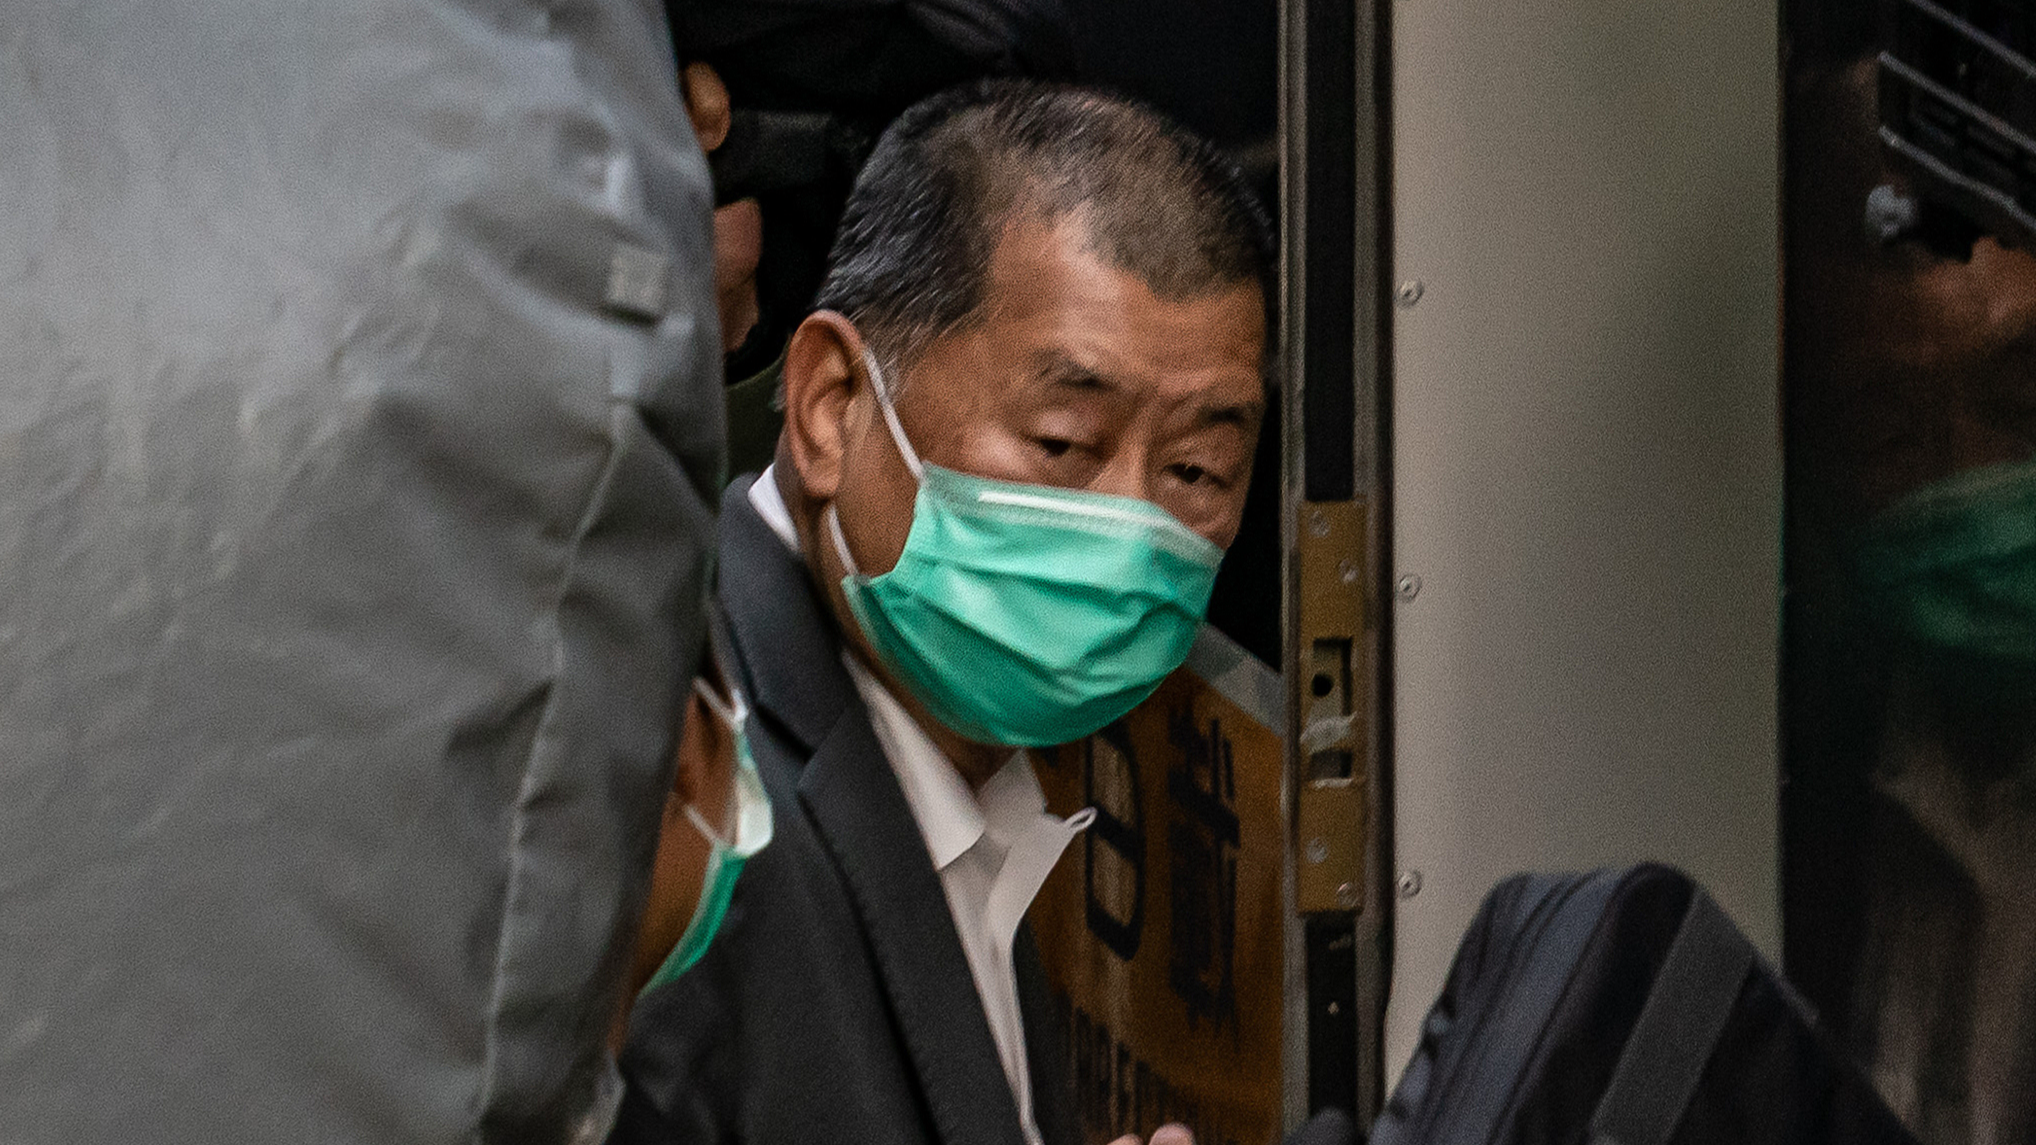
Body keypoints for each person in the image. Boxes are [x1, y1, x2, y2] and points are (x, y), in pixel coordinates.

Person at [608, 80, 1273, 1145]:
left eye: (1198, 466)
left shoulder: (959, 759)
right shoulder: (672, 792)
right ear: (832, 404)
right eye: (1062, 443)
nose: (1132, 526)